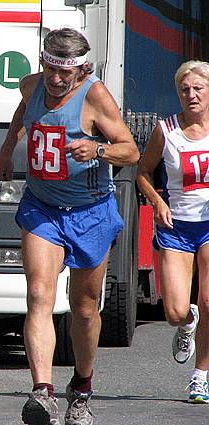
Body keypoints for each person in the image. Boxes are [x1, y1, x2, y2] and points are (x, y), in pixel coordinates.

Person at [0, 28, 139, 425]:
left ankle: (82, 387)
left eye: (65, 74)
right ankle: (43, 392)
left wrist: (98, 148)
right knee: (39, 294)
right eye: (50, 70)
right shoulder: (31, 85)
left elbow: (131, 150)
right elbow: (23, 112)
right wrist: (7, 150)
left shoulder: (95, 95)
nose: (56, 81)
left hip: (91, 211)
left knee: (85, 309)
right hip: (43, 207)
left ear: (82, 69)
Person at [136, 60, 209, 404]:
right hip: (176, 226)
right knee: (176, 311)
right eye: (185, 89)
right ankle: (187, 322)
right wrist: (157, 202)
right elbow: (143, 171)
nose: (191, 95)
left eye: (198, 88)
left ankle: (201, 377)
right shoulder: (166, 130)